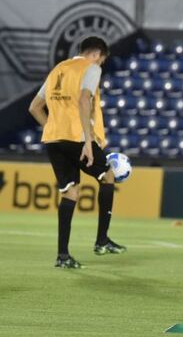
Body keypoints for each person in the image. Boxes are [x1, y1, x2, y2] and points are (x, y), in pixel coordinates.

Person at [28, 36, 126, 269]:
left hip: (54, 139)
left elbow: (34, 107)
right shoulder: (90, 68)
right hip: (78, 137)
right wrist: (87, 139)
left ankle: (63, 256)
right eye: (101, 60)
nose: (100, 65)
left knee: (70, 193)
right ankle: (102, 241)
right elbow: (84, 100)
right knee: (108, 176)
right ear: (96, 55)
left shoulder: (58, 70)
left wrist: (53, 128)